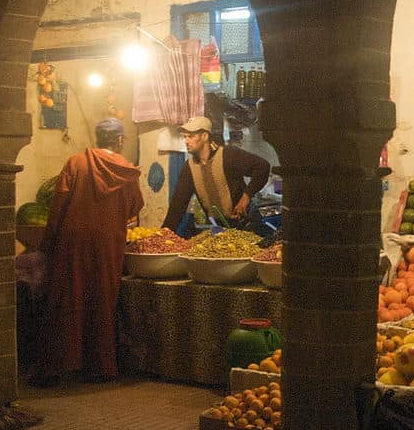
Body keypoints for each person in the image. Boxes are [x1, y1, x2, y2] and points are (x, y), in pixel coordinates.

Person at [34, 118, 143, 386]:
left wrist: (47, 243)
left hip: (72, 242)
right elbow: (134, 207)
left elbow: (58, 204)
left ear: (97, 138)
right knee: (102, 300)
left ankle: (57, 368)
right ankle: (101, 367)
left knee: (67, 299)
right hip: (108, 244)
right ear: (119, 140)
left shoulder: (75, 163)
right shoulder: (127, 171)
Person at [161, 116, 271, 235]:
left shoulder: (228, 155)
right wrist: (164, 233)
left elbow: (262, 167)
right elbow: (178, 204)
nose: (186, 141)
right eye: (185, 137)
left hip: (247, 221)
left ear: (205, 136)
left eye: (191, 136)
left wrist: (246, 197)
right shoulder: (189, 168)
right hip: (220, 227)